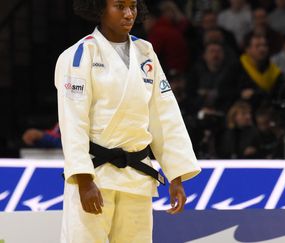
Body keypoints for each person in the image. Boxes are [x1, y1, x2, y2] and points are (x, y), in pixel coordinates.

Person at [55, 1, 201, 242]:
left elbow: (164, 114)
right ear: (100, 9)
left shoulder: (145, 52)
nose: (128, 14)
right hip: (96, 175)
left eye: (132, 6)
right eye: (119, 6)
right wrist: (83, 178)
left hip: (137, 176)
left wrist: (176, 175)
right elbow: (73, 122)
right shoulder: (79, 55)